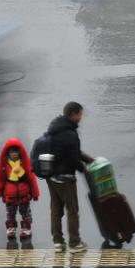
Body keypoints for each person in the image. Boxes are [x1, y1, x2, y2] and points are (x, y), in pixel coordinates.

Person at [46, 101, 94, 253]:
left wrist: (89, 159)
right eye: (80, 114)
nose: (81, 117)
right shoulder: (70, 133)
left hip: (51, 176)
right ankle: (74, 242)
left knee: (55, 209)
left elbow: (72, 152)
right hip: (65, 178)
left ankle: (58, 242)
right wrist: (86, 170)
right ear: (73, 114)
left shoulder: (55, 127)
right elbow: (74, 158)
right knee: (72, 209)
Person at [0, 138, 40, 248]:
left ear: (20, 152)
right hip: (10, 194)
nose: (14, 154)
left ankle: (26, 228)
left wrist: (35, 193)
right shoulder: (4, 165)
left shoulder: (25, 163)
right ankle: (11, 228)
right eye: (11, 152)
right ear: (7, 153)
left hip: (24, 193)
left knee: (25, 213)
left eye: (16, 152)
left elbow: (31, 178)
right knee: (10, 213)